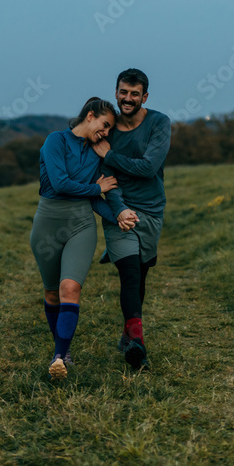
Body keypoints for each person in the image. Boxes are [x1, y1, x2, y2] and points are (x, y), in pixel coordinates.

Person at [31, 97, 139, 380]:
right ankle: (63, 349)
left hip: (81, 225)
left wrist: (118, 215)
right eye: (105, 125)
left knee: (70, 288)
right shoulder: (55, 141)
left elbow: (95, 198)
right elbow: (60, 184)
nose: (105, 133)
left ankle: (59, 357)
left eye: (110, 129)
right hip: (47, 225)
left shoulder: (96, 154)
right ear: (90, 116)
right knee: (51, 293)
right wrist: (96, 187)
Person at [92, 69, 172, 371]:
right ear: (116, 93)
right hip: (120, 211)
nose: (128, 98)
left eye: (134, 94)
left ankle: (128, 334)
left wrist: (111, 155)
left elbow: (149, 168)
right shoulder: (108, 127)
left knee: (141, 275)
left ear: (144, 97)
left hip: (151, 211)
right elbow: (105, 177)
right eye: (123, 92)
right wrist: (119, 210)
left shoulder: (159, 123)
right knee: (129, 273)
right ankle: (138, 343)